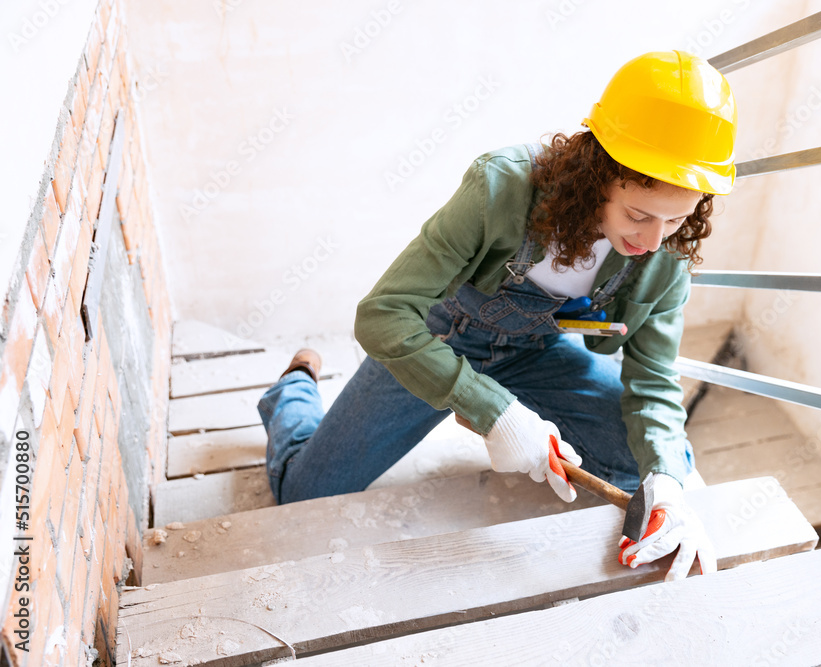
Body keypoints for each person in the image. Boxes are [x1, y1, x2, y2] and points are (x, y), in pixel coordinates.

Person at [257, 50, 737, 582]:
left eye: (676, 219)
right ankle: (292, 392)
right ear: (600, 171)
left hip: (539, 350)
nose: (652, 241)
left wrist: (668, 482)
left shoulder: (665, 254)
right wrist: (492, 411)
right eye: (639, 215)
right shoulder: (501, 185)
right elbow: (381, 316)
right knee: (302, 493)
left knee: (653, 467)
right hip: (440, 341)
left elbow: (653, 383)